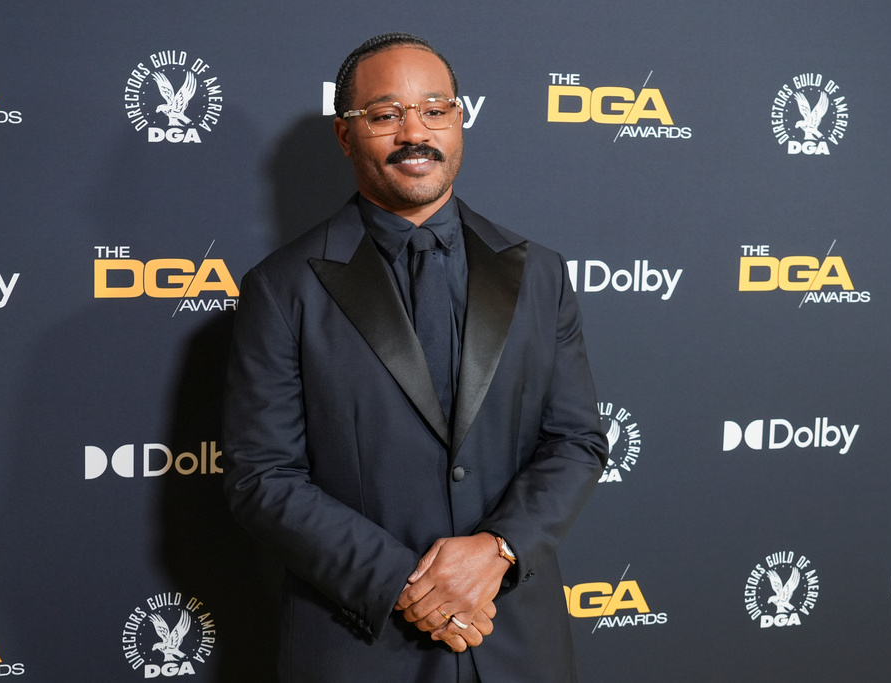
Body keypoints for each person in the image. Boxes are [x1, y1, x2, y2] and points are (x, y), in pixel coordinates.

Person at [222, 32, 607, 683]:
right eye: (384, 114)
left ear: (460, 120)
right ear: (346, 135)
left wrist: (497, 549)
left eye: (435, 109)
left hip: (516, 641)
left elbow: (576, 440)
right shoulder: (282, 287)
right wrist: (407, 583)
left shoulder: (540, 272)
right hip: (360, 645)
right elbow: (262, 475)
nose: (414, 132)